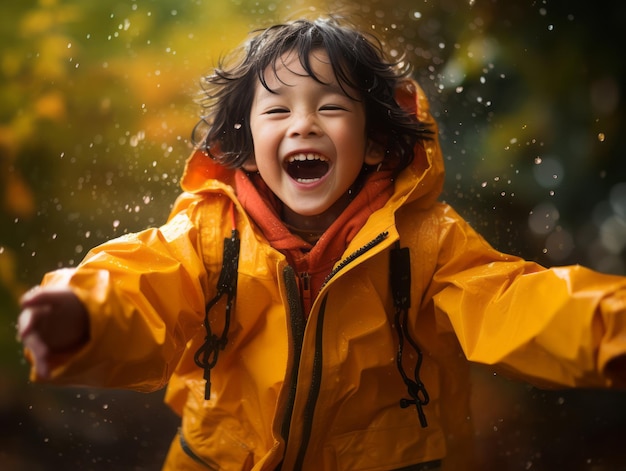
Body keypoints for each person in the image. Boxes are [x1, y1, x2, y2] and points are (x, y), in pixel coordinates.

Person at [17, 16, 626, 471]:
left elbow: (513, 302)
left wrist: (608, 326)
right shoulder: (207, 236)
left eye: (331, 107)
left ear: (377, 140)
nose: (303, 123)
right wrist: (84, 315)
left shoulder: (425, 242)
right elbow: (139, 285)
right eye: (276, 111)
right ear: (244, 139)